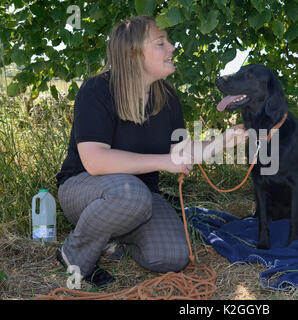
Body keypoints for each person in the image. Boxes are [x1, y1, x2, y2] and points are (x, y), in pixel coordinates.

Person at [55, 15, 247, 287]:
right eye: (161, 43)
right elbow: (95, 161)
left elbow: (181, 152)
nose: (172, 48)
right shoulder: (97, 90)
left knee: (172, 256)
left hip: (140, 197)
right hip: (84, 189)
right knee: (130, 195)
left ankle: (112, 238)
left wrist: (225, 141)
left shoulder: (167, 98)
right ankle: (74, 253)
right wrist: (165, 161)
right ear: (133, 53)